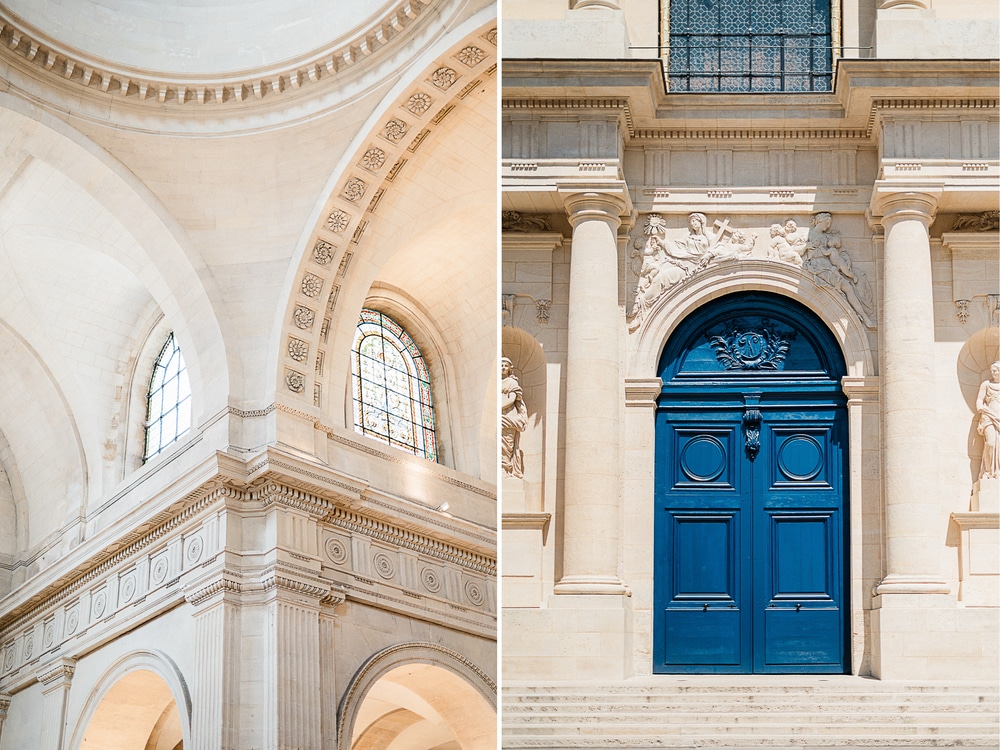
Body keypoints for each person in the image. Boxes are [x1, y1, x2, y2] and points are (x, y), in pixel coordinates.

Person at [501, 357, 528, 478]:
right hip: (499, 413)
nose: (503, 368)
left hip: (508, 415)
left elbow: (512, 399)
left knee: (506, 444)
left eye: (506, 366)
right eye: (501, 365)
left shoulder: (512, 382)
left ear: (509, 369)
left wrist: (498, 408)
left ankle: (505, 468)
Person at [977, 361, 1000, 480]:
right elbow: (979, 400)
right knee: (990, 443)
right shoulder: (986, 384)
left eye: (995, 370)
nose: (993, 373)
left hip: (999, 417)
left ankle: (997, 472)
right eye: (992, 371)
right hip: (989, 416)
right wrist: (981, 407)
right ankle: (989, 471)